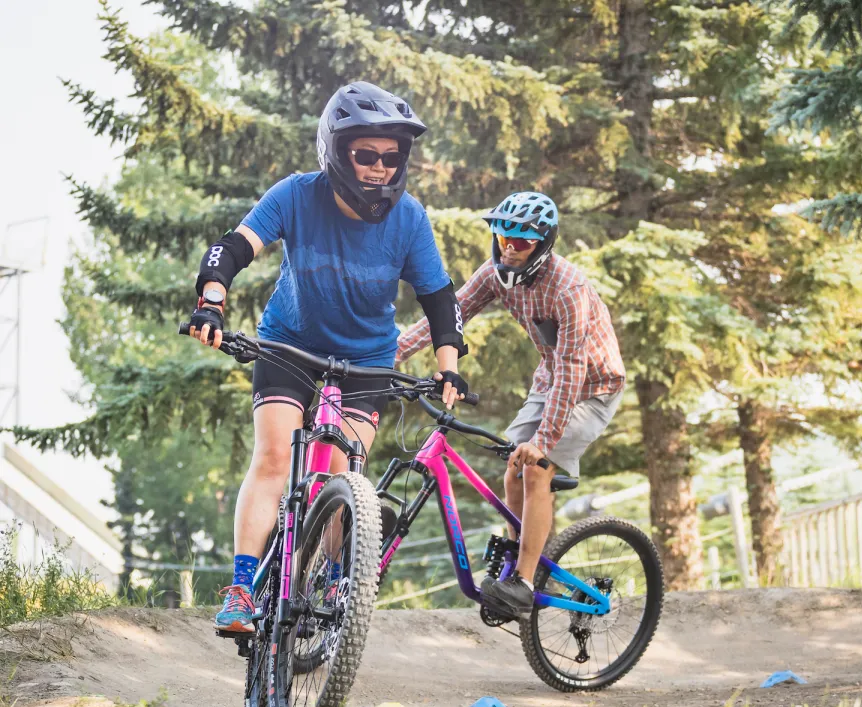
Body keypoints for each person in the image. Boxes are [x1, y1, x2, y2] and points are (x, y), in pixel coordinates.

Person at [187, 82, 469, 633]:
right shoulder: (297, 195)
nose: (380, 169)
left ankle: (338, 578)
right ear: (337, 153)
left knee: (348, 475)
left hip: (367, 358)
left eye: (392, 157)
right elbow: (234, 247)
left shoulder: (408, 218)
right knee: (273, 458)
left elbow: (439, 299)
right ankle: (243, 588)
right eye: (366, 155)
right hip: (290, 344)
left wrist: (448, 364)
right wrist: (212, 303)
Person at [395, 191, 625, 617]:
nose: (510, 249)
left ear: (543, 243)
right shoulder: (496, 273)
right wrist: (395, 353)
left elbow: (573, 369)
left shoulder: (568, 290)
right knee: (514, 469)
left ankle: (521, 580)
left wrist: (544, 439)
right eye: (504, 239)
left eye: (521, 243)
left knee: (536, 466)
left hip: (593, 388)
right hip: (550, 380)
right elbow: (451, 312)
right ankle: (525, 561)